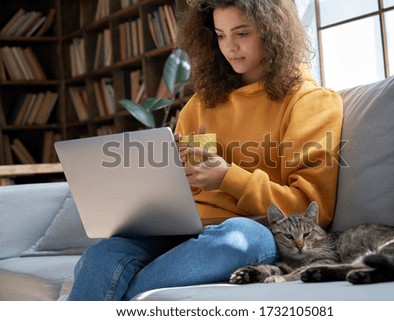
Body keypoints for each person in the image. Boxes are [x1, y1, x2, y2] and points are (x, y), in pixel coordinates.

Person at [67, 0, 343, 300]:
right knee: (104, 253)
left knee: (240, 239)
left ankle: (118, 297)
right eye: (221, 35)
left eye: (242, 34)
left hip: (253, 231)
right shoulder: (202, 103)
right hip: (181, 231)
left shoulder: (310, 101)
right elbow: (193, 186)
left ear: (271, 32)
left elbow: (312, 209)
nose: (230, 47)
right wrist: (170, 172)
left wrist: (226, 177)